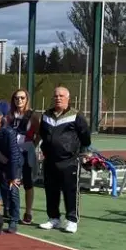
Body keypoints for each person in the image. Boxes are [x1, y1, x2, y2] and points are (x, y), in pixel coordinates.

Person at [38, 86, 91, 234]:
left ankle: (72, 220)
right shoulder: (46, 115)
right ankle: (53, 218)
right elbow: (43, 134)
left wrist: (82, 153)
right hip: (50, 161)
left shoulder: (76, 116)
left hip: (70, 161)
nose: (58, 98)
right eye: (56, 96)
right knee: (51, 191)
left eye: (61, 96)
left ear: (68, 98)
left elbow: (85, 136)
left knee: (70, 191)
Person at [7, 89, 41, 224]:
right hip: (13, 152)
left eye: (22, 98)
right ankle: (12, 210)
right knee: (13, 180)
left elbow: (38, 134)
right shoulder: (9, 115)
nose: (19, 100)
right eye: (16, 98)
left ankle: (28, 212)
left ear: (27, 99)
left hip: (27, 151)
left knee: (28, 182)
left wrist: (32, 145)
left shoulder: (33, 115)